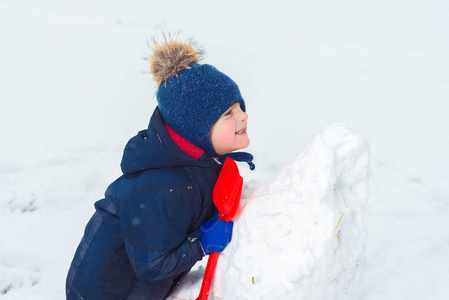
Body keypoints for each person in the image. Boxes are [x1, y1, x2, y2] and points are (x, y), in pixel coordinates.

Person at [65, 36, 254, 300]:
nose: (243, 116)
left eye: (239, 107)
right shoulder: (163, 188)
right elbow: (152, 265)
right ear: (197, 131)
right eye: (228, 114)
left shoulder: (199, 161)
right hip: (106, 293)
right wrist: (200, 242)